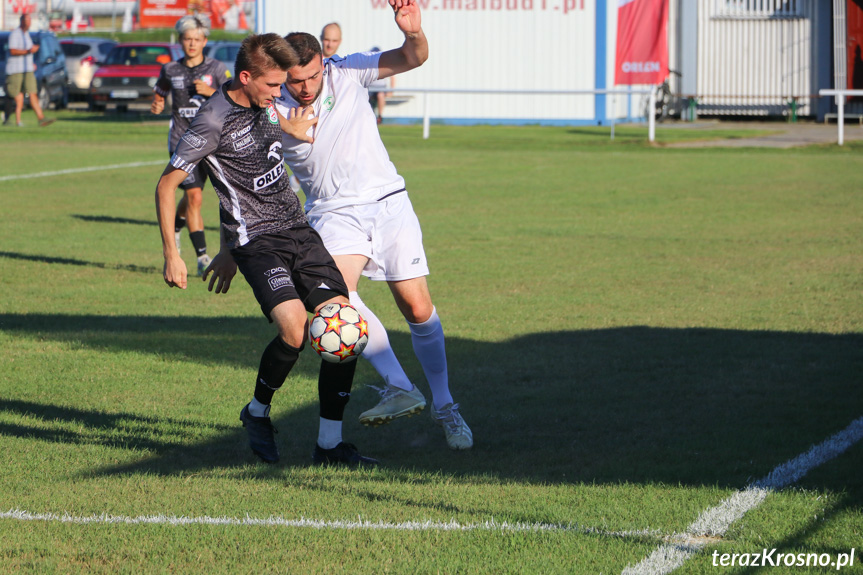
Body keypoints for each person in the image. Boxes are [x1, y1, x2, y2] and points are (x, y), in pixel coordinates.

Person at [155, 33, 378, 467]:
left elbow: (278, 131)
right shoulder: (212, 122)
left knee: (343, 326)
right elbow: (166, 185)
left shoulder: (265, 103)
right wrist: (173, 252)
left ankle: (329, 445)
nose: (282, 93)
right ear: (245, 77)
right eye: (274, 85)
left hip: (298, 229)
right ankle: (257, 412)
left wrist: (295, 124)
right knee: (295, 331)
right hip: (256, 242)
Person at [276, 0, 473, 450]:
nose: (305, 87)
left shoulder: (348, 71)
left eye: (311, 76)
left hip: (387, 201)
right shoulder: (271, 101)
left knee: (417, 308)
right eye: (295, 80)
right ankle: (400, 386)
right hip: (332, 211)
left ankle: (446, 407)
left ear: (323, 63)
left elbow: (413, 57)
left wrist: (414, 31)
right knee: (336, 302)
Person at [152, 15, 231, 276]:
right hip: (182, 142)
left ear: (205, 41)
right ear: (180, 41)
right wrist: (158, 103)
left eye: (197, 39)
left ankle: (176, 226)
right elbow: (160, 91)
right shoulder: (171, 70)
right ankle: (202, 257)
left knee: (194, 198)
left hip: (213, 143)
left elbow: (233, 98)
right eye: (187, 39)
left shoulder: (218, 69)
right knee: (194, 197)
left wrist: (211, 93)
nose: (192, 44)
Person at [4, 14, 54, 128]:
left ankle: (41, 118)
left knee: (32, 92)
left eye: (30, 20)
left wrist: (31, 59)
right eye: (27, 20)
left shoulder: (26, 35)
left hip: (27, 69)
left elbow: (29, 51)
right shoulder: (15, 34)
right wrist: (28, 51)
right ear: (21, 21)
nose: (29, 23)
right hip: (16, 70)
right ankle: (13, 120)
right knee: (16, 96)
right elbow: (13, 51)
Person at [366, 47, 393, 125]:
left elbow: (392, 77)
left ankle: (380, 116)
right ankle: (369, 115)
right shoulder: (367, 65)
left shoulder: (385, 64)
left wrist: (391, 91)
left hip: (381, 88)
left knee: (380, 95)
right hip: (370, 88)